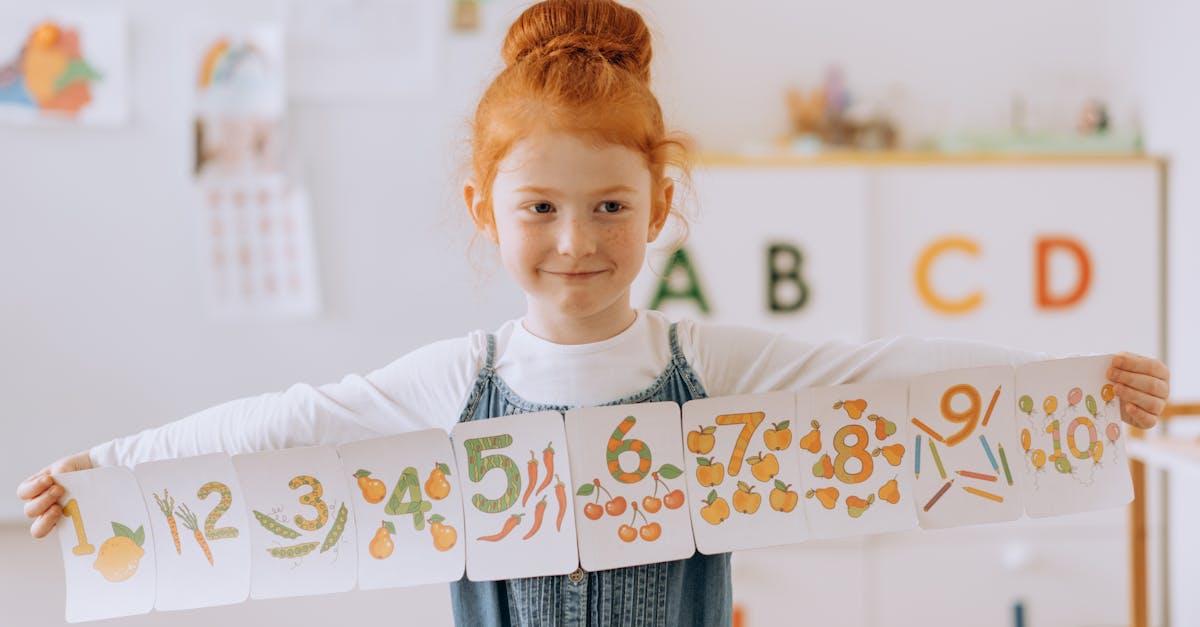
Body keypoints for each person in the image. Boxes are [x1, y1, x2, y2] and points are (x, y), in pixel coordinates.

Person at [16, 1, 1171, 625]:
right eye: (541, 209)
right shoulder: (453, 382)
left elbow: (878, 372)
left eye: (612, 204)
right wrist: (111, 468)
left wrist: (1073, 385)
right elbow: (288, 423)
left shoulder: (703, 359)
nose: (577, 242)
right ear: (485, 209)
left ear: (660, 202)